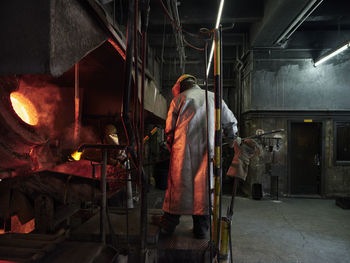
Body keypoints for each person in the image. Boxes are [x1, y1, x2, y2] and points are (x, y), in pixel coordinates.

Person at [159, 74, 238, 238]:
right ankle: (201, 229)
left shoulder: (179, 99)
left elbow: (169, 131)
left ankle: (168, 226)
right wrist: (232, 138)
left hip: (182, 154)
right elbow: (230, 122)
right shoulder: (213, 98)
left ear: (181, 87)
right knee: (204, 189)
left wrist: (171, 147)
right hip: (208, 153)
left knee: (178, 189)